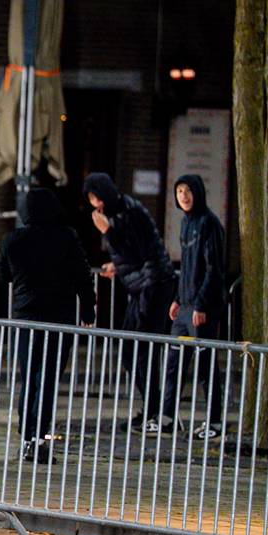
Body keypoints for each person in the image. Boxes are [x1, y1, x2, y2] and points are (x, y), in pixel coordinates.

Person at [0, 188, 96, 463]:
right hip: (58, 319)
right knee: (48, 379)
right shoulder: (66, 237)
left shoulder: (13, 240)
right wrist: (88, 308)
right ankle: (40, 439)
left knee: (28, 378)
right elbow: (82, 275)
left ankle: (26, 437)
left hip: (25, 317)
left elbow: (3, 275)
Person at [83, 172, 177, 430]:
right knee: (132, 349)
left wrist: (108, 232)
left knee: (143, 350)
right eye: (92, 201)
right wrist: (118, 266)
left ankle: (158, 414)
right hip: (142, 285)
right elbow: (132, 254)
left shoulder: (129, 212)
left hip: (153, 286)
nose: (96, 206)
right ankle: (153, 409)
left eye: (97, 199)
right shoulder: (119, 212)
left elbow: (138, 251)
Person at [153, 174, 227, 439]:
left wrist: (201, 304)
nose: (183, 196)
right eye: (179, 191)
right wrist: (177, 298)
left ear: (198, 192)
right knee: (174, 362)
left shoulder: (209, 224)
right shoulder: (186, 223)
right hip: (185, 308)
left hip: (201, 309)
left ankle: (215, 422)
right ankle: (167, 417)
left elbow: (214, 268)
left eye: (187, 190)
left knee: (206, 365)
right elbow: (185, 268)